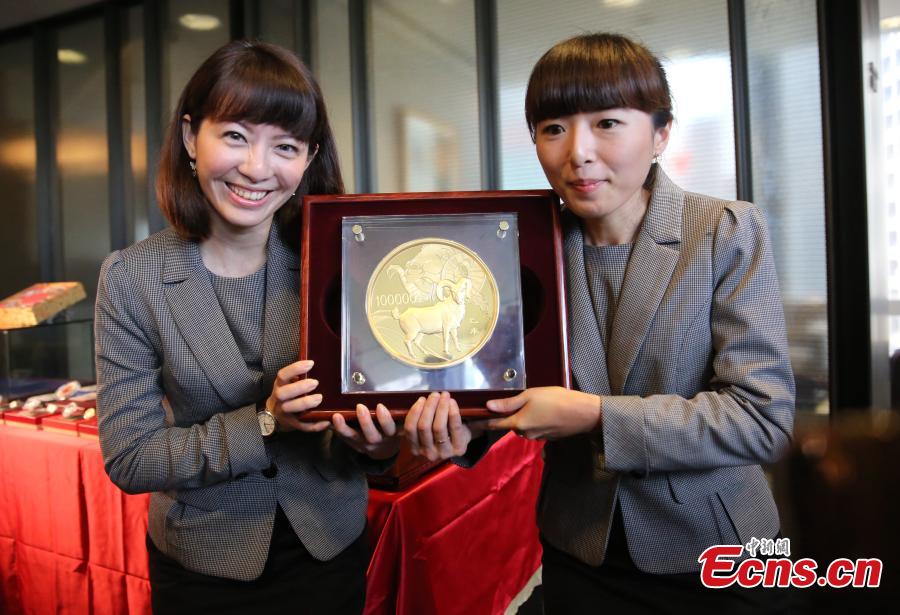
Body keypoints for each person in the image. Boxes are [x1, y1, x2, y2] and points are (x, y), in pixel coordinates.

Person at [405, 33, 797, 613]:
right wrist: (462, 429)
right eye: (553, 128)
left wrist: (595, 416)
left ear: (661, 133)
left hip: (718, 552)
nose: (578, 152)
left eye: (607, 123)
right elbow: (501, 382)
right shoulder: (520, 249)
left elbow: (762, 419)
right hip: (579, 547)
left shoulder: (724, 232)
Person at [95, 40, 400, 614]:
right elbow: (131, 457)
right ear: (192, 137)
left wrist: (378, 443)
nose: (257, 168)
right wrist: (265, 422)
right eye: (235, 135)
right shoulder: (132, 278)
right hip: (203, 562)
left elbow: (369, 425)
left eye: (285, 146)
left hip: (330, 546)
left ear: (308, 159)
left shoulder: (342, 262)